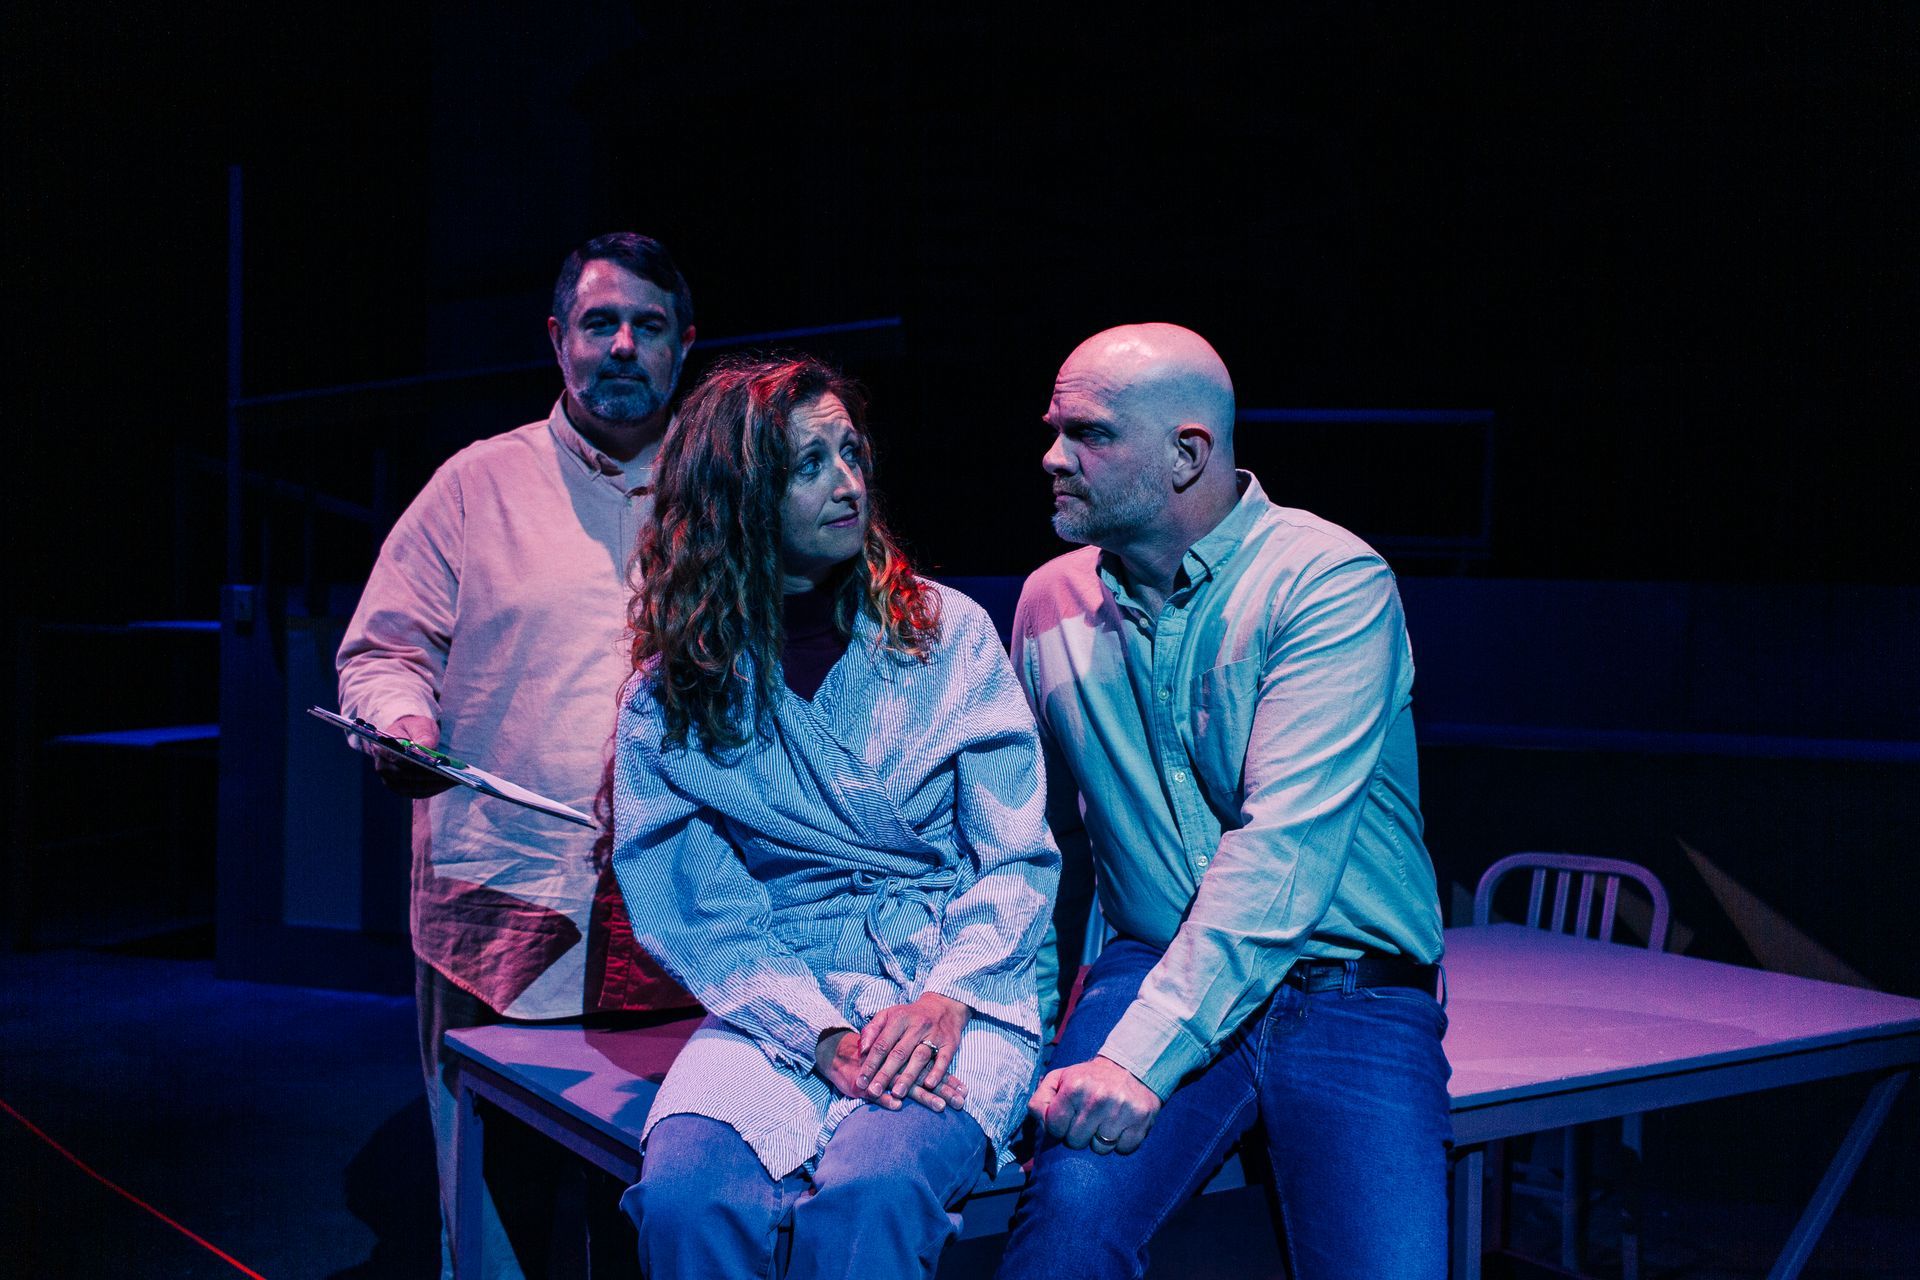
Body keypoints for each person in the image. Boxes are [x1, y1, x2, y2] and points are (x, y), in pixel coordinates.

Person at [996, 324, 1451, 1279]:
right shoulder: (1048, 603)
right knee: (1060, 1250)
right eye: (1053, 428)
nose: (1052, 457)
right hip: (1150, 962)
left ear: (1187, 454)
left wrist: (1136, 1060)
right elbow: (1047, 849)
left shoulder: (1329, 581)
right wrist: (1023, 1042)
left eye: (1087, 434)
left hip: (1347, 993)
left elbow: (1279, 853)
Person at [609, 354, 1060, 1280]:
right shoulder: (676, 691)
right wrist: (812, 1031)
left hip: (952, 977)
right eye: (808, 466)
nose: (847, 484)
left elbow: (1014, 855)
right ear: (736, 496)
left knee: (871, 1199)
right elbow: (691, 903)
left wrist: (946, 997)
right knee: (687, 1201)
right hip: (781, 991)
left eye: (850, 453)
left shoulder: (946, 634)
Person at [336, 232, 698, 1278]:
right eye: (599, 322)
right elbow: (386, 649)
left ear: (684, 345)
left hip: (683, 913)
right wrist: (399, 721)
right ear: (557, 339)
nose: (622, 345)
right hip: (504, 899)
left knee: (659, 1197)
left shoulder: (727, 493)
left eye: (649, 325)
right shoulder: (475, 484)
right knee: (500, 1217)